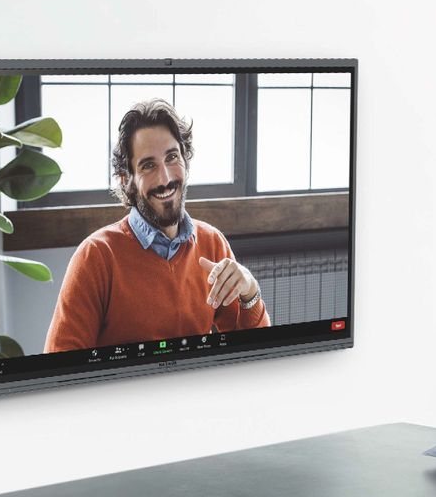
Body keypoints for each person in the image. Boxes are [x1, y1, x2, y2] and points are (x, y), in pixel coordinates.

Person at [44, 99, 269, 352]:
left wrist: (249, 289)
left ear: (186, 162)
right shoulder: (95, 256)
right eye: (148, 165)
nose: (165, 178)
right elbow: (60, 364)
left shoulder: (213, 243)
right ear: (126, 180)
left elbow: (256, 354)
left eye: (172, 157)